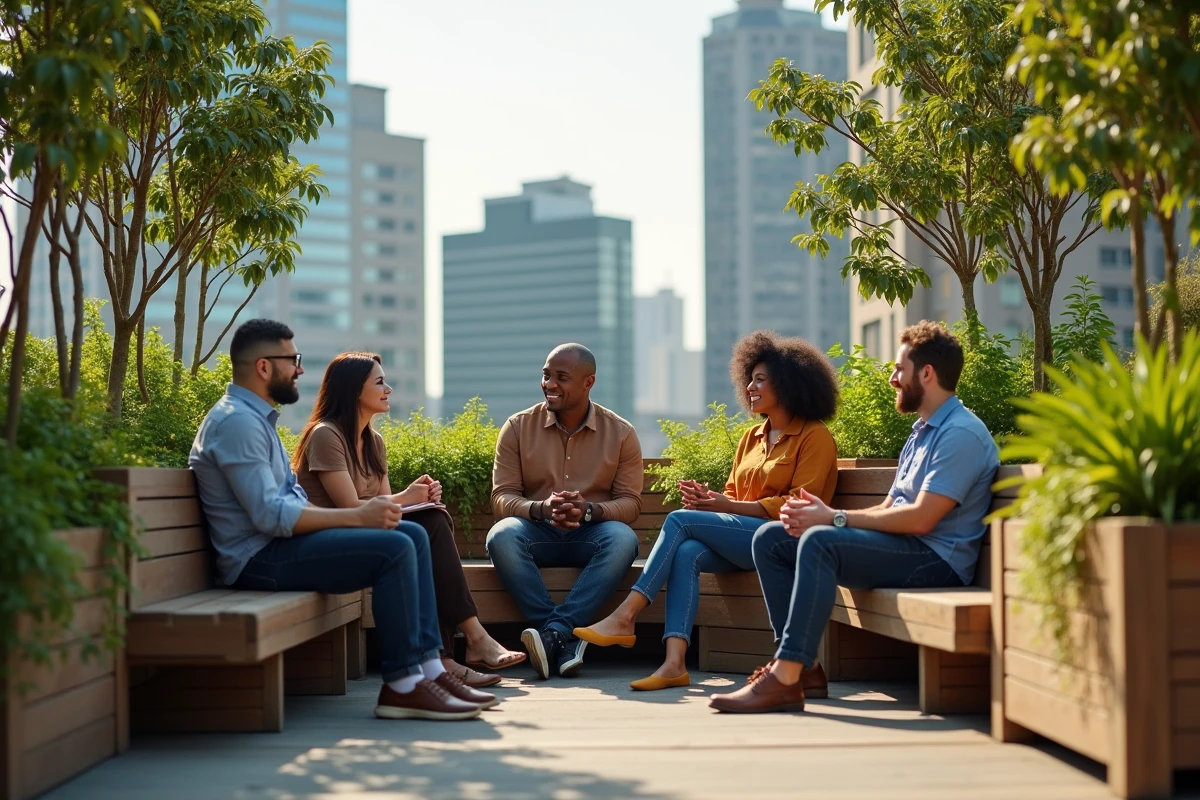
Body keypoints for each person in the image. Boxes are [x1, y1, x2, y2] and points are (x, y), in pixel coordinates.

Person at [189, 319, 494, 721]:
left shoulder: (255, 420)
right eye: (292, 360)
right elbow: (269, 516)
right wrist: (355, 516)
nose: (299, 369)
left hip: (276, 549)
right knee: (397, 545)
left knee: (412, 535)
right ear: (264, 367)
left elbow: (284, 503)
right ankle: (403, 686)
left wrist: (361, 515)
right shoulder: (238, 424)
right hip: (258, 560)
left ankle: (430, 671)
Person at [709, 321, 1000, 713]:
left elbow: (921, 520)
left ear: (927, 374)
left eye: (900, 369)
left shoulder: (960, 434)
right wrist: (826, 517)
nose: (894, 379)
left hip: (935, 560)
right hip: (905, 547)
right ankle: (801, 668)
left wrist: (832, 519)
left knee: (818, 541)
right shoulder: (923, 432)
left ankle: (784, 675)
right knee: (772, 539)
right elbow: (890, 507)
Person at [574, 331, 840, 691]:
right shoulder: (751, 438)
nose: (750, 387)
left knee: (679, 520)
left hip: (785, 540)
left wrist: (725, 506)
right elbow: (732, 494)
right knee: (686, 553)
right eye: (749, 379)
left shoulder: (815, 437)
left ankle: (626, 615)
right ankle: (673, 663)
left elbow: (798, 505)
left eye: (761, 379)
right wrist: (709, 500)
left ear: (789, 383)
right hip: (744, 539)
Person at [290, 351, 526, 689]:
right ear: (354, 389)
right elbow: (353, 506)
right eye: (380, 382)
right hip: (331, 537)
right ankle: (468, 643)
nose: (389, 390)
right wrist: (408, 498)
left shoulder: (374, 441)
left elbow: (384, 506)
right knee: (429, 524)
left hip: (365, 534)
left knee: (431, 520)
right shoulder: (325, 435)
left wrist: (420, 500)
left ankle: (450, 656)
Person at [485, 343, 643, 680]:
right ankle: (559, 635)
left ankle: (550, 635)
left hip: (591, 535)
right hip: (536, 533)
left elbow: (630, 504)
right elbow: (502, 497)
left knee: (622, 539)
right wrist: (540, 509)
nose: (549, 384)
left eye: (561, 377)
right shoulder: (516, 427)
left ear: (588, 383)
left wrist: (590, 511)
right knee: (501, 536)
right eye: (546, 375)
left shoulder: (621, 433)